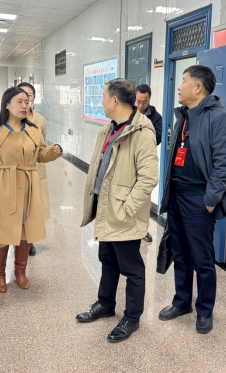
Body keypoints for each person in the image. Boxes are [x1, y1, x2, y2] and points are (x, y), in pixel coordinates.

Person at [76, 78, 158, 343]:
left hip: (123, 213)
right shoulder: (109, 128)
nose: (101, 101)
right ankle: (105, 304)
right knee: (107, 258)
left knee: (132, 267)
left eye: (103, 96)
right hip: (106, 208)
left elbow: (148, 178)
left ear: (115, 100)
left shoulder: (141, 132)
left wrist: (127, 209)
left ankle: (132, 317)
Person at [158, 65, 226, 334]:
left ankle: (205, 310)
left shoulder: (220, 118)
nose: (179, 87)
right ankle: (181, 302)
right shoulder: (183, 116)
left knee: (202, 259)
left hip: (199, 200)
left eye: (183, 81)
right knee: (180, 253)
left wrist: (210, 200)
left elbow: (225, 164)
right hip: (177, 196)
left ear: (198, 87)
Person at [0, 87, 62, 293]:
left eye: (27, 102)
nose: (24, 106)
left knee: (25, 232)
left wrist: (53, 152)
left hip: (28, 188)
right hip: (3, 188)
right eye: (19, 102)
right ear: (6, 104)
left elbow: (40, 154)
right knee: (1, 233)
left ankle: (20, 272)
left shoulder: (33, 130)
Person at [17, 82, 47, 257]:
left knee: (31, 208)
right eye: (22, 94)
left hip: (33, 170)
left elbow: (42, 147)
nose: (26, 98)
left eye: (29, 95)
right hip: (14, 171)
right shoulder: (9, 118)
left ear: (34, 98)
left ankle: (29, 241)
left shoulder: (40, 120)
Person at [134, 84, 162, 243]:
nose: (140, 105)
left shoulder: (156, 117)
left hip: (144, 161)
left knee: (144, 197)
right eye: (138, 101)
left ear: (149, 100)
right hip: (128, 161)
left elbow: (157, 138)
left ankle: (143, 229)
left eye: (144, 102)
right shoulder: (128, 112)